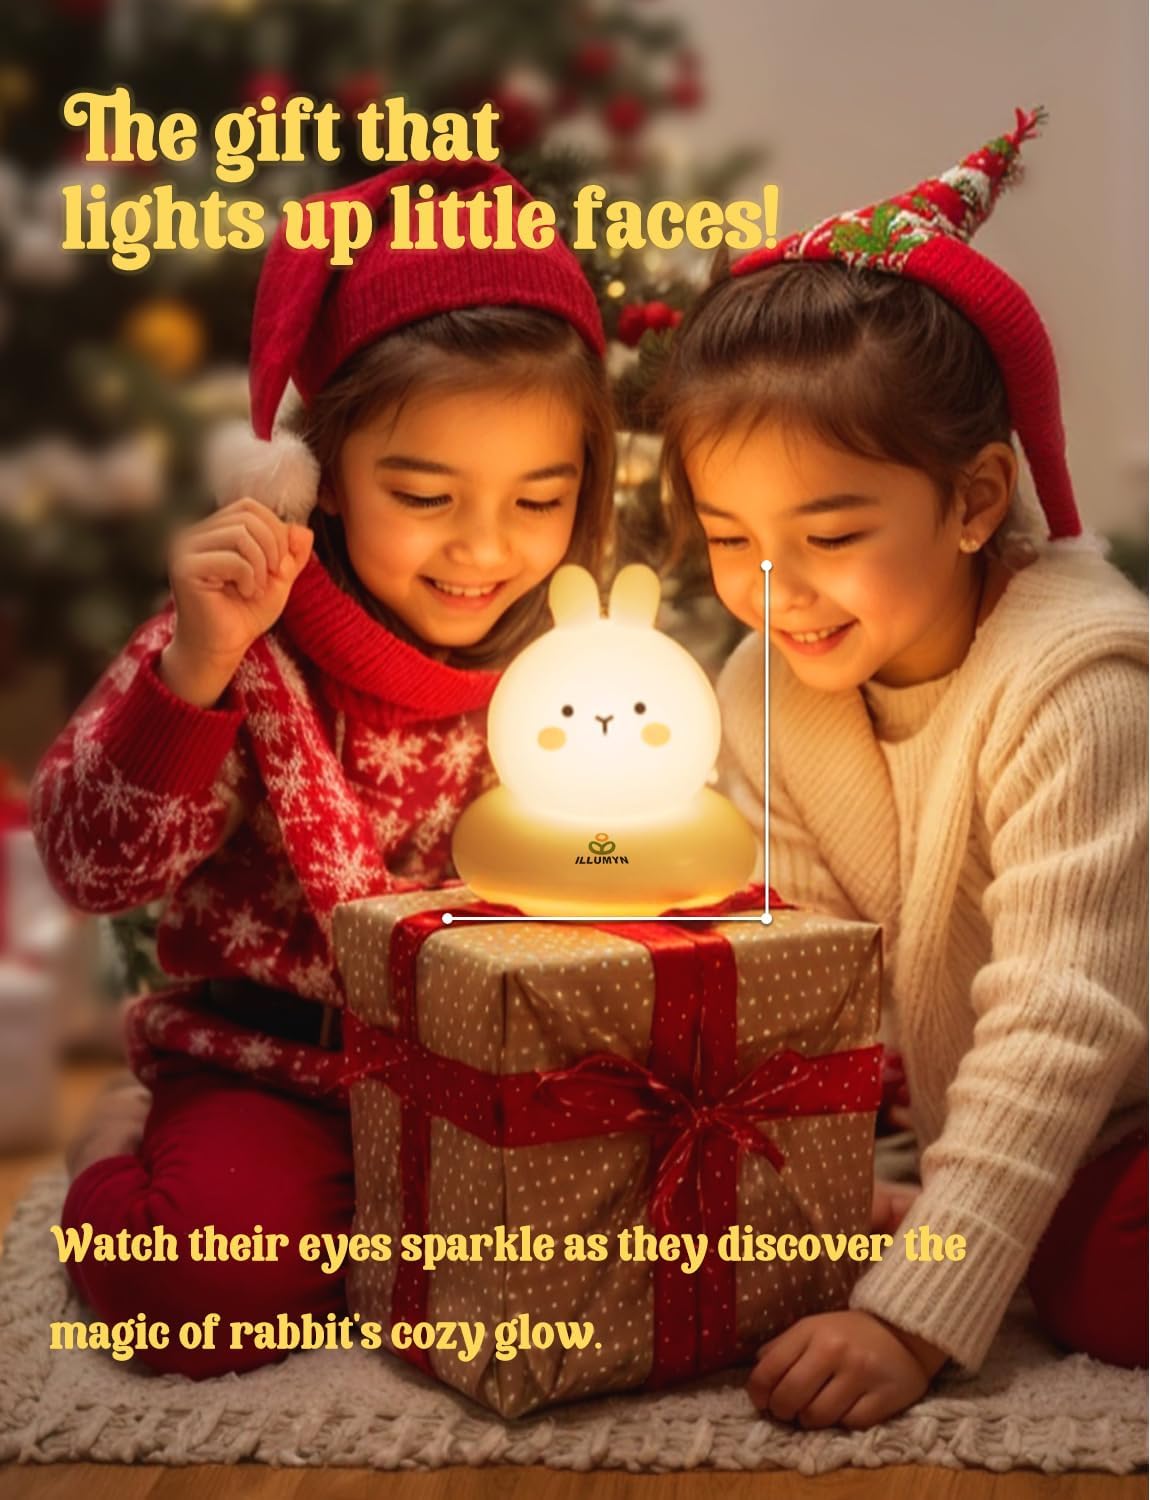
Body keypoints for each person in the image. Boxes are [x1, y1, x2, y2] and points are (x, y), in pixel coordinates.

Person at [30, 160, 614, 1376]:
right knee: (198, 1296)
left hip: (490, 1076)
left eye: (538, 498)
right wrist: (193, 670)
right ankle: (113, 1143)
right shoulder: (246, 639)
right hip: (275, 1067)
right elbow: (91, 865)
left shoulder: (585, 663)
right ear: (324, 476)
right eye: (422, 492)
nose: (484, 547)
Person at [657, 111, 1148, 1428]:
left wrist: (911, 1307)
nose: (775, 589)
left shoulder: (1080, 680)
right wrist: (824, 1200)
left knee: (1103, 1284)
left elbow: (1062, 1014)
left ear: (976, 500)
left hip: (1125, 1092)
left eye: (827, 531)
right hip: (1027, 1121)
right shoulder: (764, 686)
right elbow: (801, 972)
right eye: (726, 537)